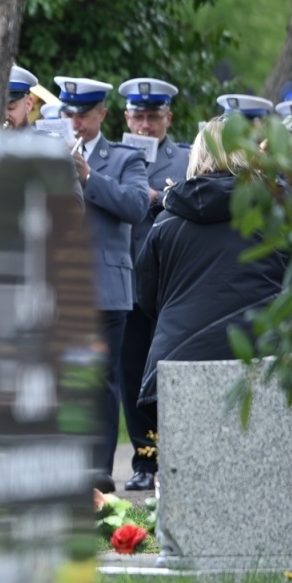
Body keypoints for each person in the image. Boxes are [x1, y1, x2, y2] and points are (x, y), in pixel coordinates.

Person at [134, 122, 287, 430]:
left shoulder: (167, 222)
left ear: (198, 155)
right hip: (265, 362)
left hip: (180, 363)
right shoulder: (280, 217)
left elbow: (146, 298)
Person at [54, 75, 149, 489]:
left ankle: (99, 475)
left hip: (106, 288)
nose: (75, 123)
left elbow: (135, 207)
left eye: (84, 115)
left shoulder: (125, 157)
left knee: (103, 384)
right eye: (69, 113)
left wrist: (89, 176)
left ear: (102, 115)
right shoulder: (44, 152)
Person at [114, 77, 189, 492]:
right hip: (128, 277)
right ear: (126, 118)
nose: (145, 126)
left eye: (153, 117)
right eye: (138, 117)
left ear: (168, 118)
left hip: (171, 282)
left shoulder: (185, 159)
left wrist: (162, 196)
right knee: (131, 371)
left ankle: (176, 458)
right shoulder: (117, 157)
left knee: (169, 371)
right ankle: (144, 459)